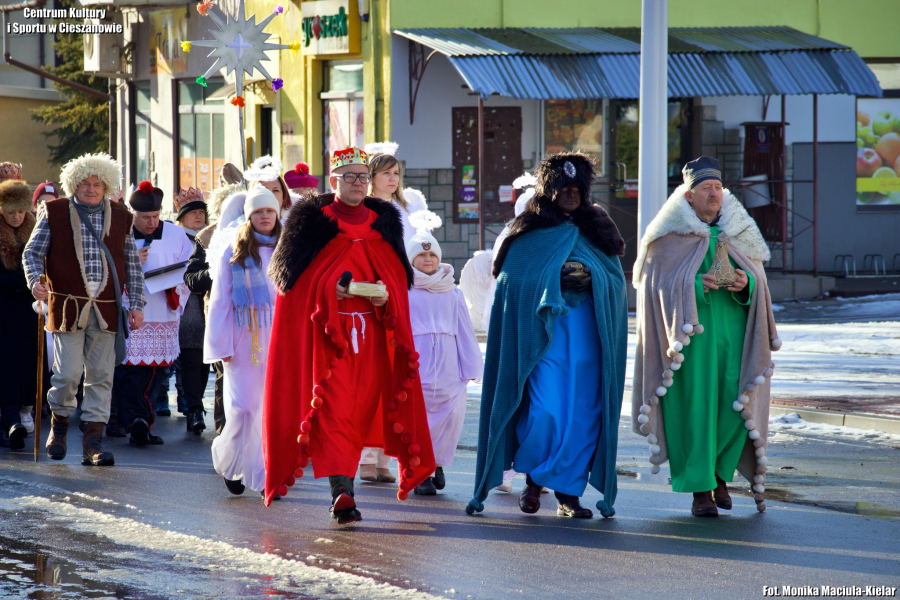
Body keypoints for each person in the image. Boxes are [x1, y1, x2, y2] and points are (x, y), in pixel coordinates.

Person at [263, 146, 436, 524]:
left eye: (362, 176)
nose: (357, 183)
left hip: (373, 336)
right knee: (335, 412)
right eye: (349, 177)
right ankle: (343, 493)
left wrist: (384, 292)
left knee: (359, 413)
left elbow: (396, 277)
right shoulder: (311, 222)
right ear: (334, 181)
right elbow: (290, 285)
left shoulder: (383, 222)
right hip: (329, 340)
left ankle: (348, 484)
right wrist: (330, 290)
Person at [466, 152, 628, 520]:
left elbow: (616, 282)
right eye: (563, 187)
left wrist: (593, 278)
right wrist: (552, 279)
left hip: (589, 338)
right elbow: (511, 282)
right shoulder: (529, 230)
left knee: (585, 416)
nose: (570, 193)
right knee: (545, 411)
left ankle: (568, 494)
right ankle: (535, 480)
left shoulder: (598, 227)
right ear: (549, 189)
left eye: (577, 187)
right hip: (545, 340)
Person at [632, 156, 781, 517]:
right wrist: (695, 286)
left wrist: (748, 285)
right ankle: (700, 489)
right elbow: (653, 286)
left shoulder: (739, 232)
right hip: (691, 345)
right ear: (688, 196)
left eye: (717, 187)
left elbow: (759, 284)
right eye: (705, 189)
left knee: (734, 408)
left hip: (734, 338)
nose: (714, 194)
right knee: (695, 413)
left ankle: (720, 474)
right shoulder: (667, 238)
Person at [23, 153, 145, 465]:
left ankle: (93, 441)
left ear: (107, 186)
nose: (91, 189)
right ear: (73, 184)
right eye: (85, 183)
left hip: (107, 309)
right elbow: (32, 253)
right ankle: (60, 424)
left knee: (102, 376)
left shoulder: (122, 216)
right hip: (66, 307)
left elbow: (133, 265)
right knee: (67, 374)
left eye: (97, 184)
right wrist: (36, 281)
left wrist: (138, 304)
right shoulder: (55, 211)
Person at [356, 141, 429, 481]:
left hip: (399, 296)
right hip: (368, 299)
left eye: (396, 173)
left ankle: (385, 457)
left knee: (394, 375)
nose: (392, 178)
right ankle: (364, 458)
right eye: (386, 172)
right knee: (370, 376)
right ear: (370, 177)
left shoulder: (403, 211)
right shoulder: (364, 210)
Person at [205, 186, 281, 496]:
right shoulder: (233, 252)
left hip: (277, 338)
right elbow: (221, 301)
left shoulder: (287, 248)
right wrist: (221, 345)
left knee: (269, 410)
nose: (265, 216)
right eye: (258, 212)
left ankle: (263, 474)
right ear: (249, 217)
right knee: (243, 409)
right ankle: (231, 460)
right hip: (243, 339)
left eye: (269, 211)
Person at [405, 211, 483, 495]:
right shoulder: (405, 290)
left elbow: (464, 330)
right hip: (419, 363)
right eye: (421, 256)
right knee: (420, 418)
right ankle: (421, 471)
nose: (428, 260)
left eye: (432, 256)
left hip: (449, 366)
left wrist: (472, 367)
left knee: (449, 418)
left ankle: (437, 464)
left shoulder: (452, 292)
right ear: (411, 260)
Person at [111, 181, 192, 447]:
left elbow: (187, 271)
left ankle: (137, 420)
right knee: (130, 371)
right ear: (133, 214)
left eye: (156, 217)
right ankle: (136, 420)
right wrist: (131, 260)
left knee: (155, 371)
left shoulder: (176, 235)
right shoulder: (120, 234)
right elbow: (108, 271)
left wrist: (174, 287)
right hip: (130, 313)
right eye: (146, 217)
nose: (152, 222)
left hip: (162, 313)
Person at [194, 167, 245, 435]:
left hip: (253, 318)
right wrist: (217, 272)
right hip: (220, 312)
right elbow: (192, 278)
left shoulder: (261, 234)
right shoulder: (207, 237)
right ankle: (225, 431)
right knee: (224, 373)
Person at [0, 179, 37, 449]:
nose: (16, 216)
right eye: (10, 210)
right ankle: (10, 420)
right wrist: (23, 281)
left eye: (21, 211)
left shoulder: (35, 231)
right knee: (7, 367)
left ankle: (25, 412)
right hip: (3, 311)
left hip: (30, 311)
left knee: (28, 364)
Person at [172, 187, 210, 433]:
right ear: (182, 217)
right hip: (185, 305)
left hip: (209, 302)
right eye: (193, 213)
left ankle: (194, 403)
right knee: (191, 358)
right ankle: (194, 408)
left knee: (206, 360)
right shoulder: (176, 238)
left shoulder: (211, 236)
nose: (199, 217)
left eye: (201, 212)